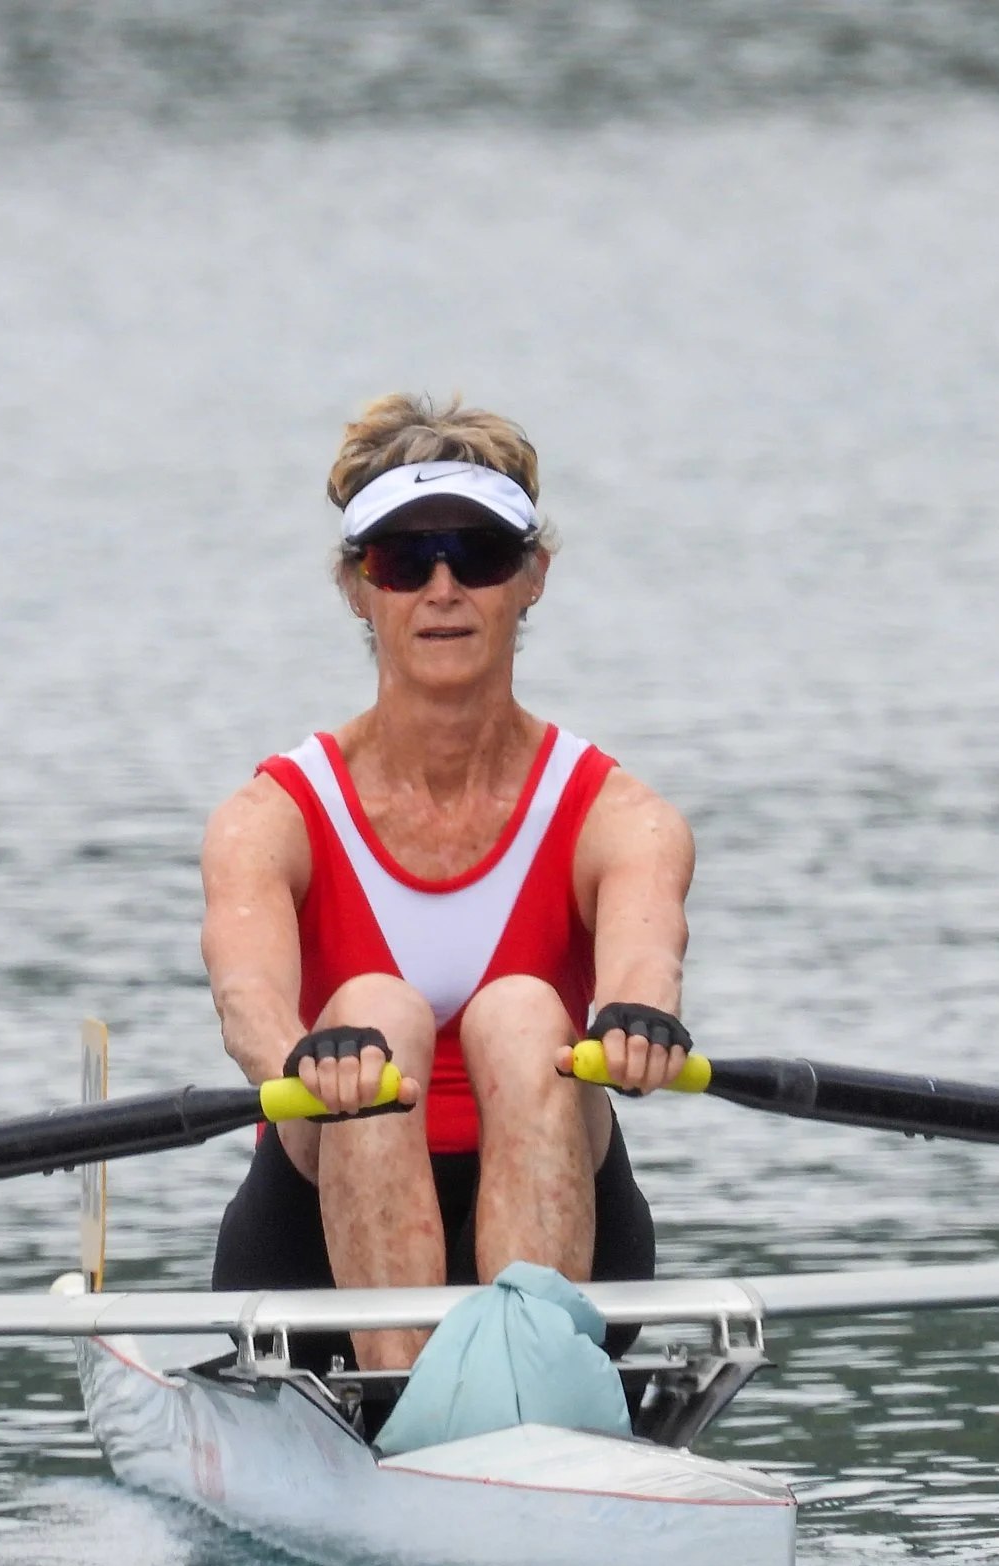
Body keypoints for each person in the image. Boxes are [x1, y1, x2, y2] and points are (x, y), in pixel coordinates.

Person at [201, 394, 697, 1373]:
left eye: (477, 556)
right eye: (401, 559)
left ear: (532, 578)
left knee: (521, 1012)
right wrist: (298, 1057)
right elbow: (246, 1002)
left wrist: (637, 1018)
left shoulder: (622, 816)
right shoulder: (270, 817)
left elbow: (644, 963)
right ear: (358, 589)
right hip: (314, 1246)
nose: (441, 588)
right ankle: (409, 1393)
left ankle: (518, 1381)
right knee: (374, 1010)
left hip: (571, 1227)